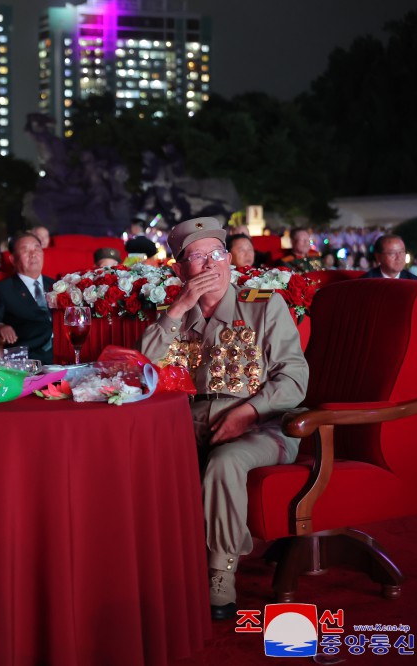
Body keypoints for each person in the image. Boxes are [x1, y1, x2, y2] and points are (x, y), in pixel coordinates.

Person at [138, 217, 308, 622]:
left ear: (230, 260)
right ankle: (147, 565)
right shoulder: (176, 315)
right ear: (180, 270)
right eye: (197, 258)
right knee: (135, 454)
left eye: (217, 254)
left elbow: (294, 377)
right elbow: (141, 366)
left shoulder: (263, 303)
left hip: (265, 423)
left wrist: (248, 412)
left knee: (225, 462)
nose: (210, 265)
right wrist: (177, 309)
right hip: (190, 421)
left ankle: (220, 573)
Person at [0, 232, 55, 365]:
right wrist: (0, 326)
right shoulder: (3, 289)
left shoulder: (56, 285)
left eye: (36, 248)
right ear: (13, 259)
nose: (33, 254)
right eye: (25, 250)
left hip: (61, 353)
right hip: (29, 357)